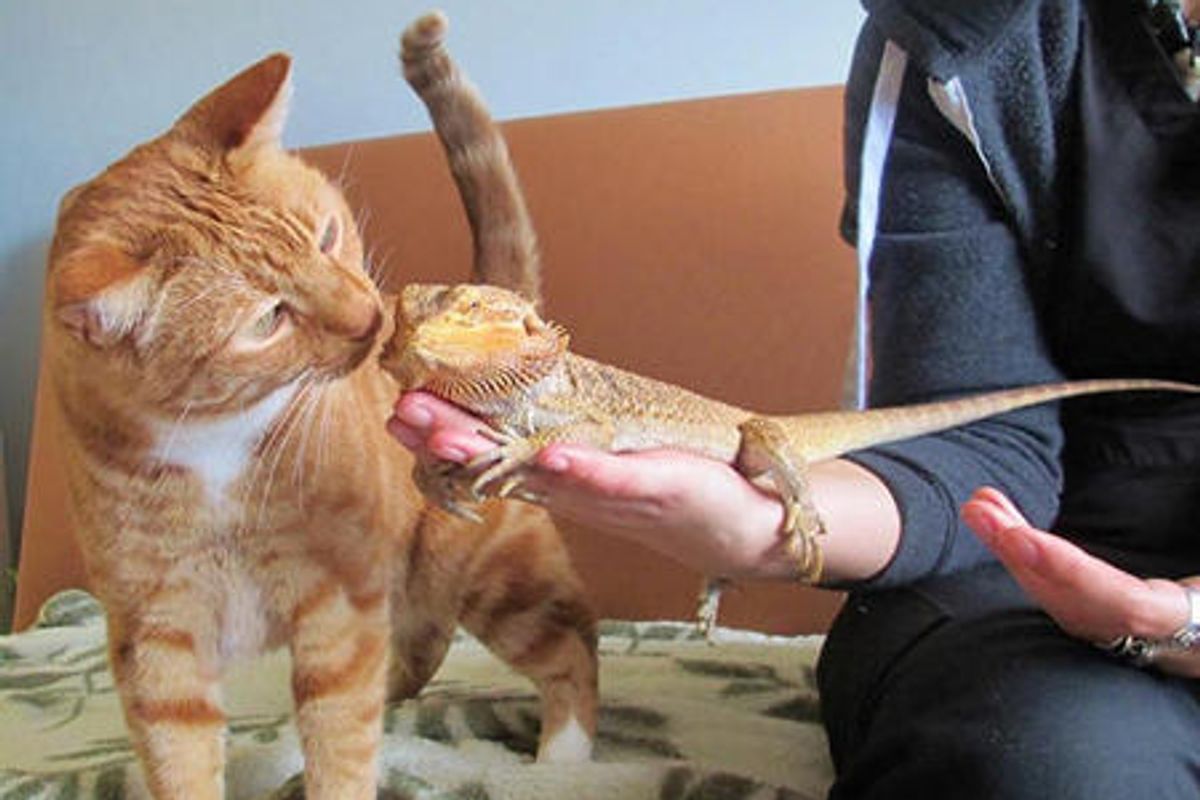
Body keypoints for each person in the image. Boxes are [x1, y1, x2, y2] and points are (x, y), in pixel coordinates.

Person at [388, 0, 1200, 795]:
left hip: (776, 448)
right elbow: (979, 446)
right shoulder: (953, 34)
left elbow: (582, 431)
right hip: (1002, 580)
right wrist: (769, 533)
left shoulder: (553, 388)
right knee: (1038, 768)